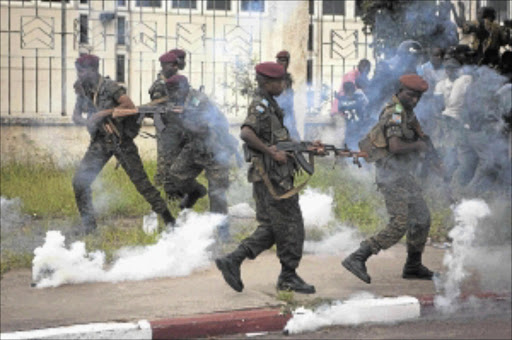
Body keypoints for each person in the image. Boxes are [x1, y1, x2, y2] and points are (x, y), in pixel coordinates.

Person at [215, 62, 324, 294]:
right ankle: (288, 277)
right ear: (266, 83)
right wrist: (272, 152)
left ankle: (233, 260)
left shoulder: (272, 106)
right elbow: (246, 132)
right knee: (292, 225)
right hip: (272, 178)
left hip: (271, 178)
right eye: (279, 81)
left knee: (273, 228)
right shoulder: (261, 106)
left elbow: (281, 140)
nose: (283, 85)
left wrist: (306, 147)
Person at [342, 74, 435, 284]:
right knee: (399, 223)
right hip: (391, 175)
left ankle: (413, 266)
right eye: (410, 95)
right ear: (400, 90)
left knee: (422, 218)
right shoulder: (395, 113)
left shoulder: (408, 113)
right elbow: (395, 147)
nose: (414, 100)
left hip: (402, 174)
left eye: (418, 97)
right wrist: (419, 147)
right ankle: (358, 256)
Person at [72, 54, 175, 234]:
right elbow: (75, 116)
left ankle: (169, 220)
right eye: (78, 71)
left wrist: (103, 113)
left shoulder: (110, 87)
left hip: (120, 141)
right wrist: (86, 121)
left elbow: (130, 107)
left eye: (81, 71)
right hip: (99, 143)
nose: (79, 74)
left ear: (92, 69)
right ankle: (90, 228)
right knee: (80, 182)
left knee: (142, 184)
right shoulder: (83, 89)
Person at [161, 75, 237, 240]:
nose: (171, 96)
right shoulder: (181, 101)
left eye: (172, 91)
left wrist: (179, 121)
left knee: (217, 194)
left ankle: (223, 232)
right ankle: (196, 191)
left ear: (181, 88)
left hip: (216, 150)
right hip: (196, 148)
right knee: (176, 174)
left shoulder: (200, 101)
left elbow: (202, 129)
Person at [148, 51, 180, 187]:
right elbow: (158, 110)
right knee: (165, 159)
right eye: (171, 65)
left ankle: (169, 185)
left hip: (175, 127)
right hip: (165, 128)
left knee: (175, 159)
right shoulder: (160, 85)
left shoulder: (174, 81)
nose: (175, 68)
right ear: (163, 66)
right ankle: (162, 186)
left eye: (175, 65)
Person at [275, 50, 300, 140]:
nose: (283, 63)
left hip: (288, 112)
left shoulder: (287, 77)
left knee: (293, 136)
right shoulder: (274, 76)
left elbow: (288, 96)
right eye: (281, 60)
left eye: (285, 61)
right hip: (277, 112)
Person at [335, 81, 369, 149]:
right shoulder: (359, 98)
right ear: (354, 89)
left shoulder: (342, 100)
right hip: (360, 126)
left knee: (348, 144)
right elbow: (366, 103)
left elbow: (340, 109)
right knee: (360, 145)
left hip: (349, 127)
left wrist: (338, 97)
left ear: (344, 90)